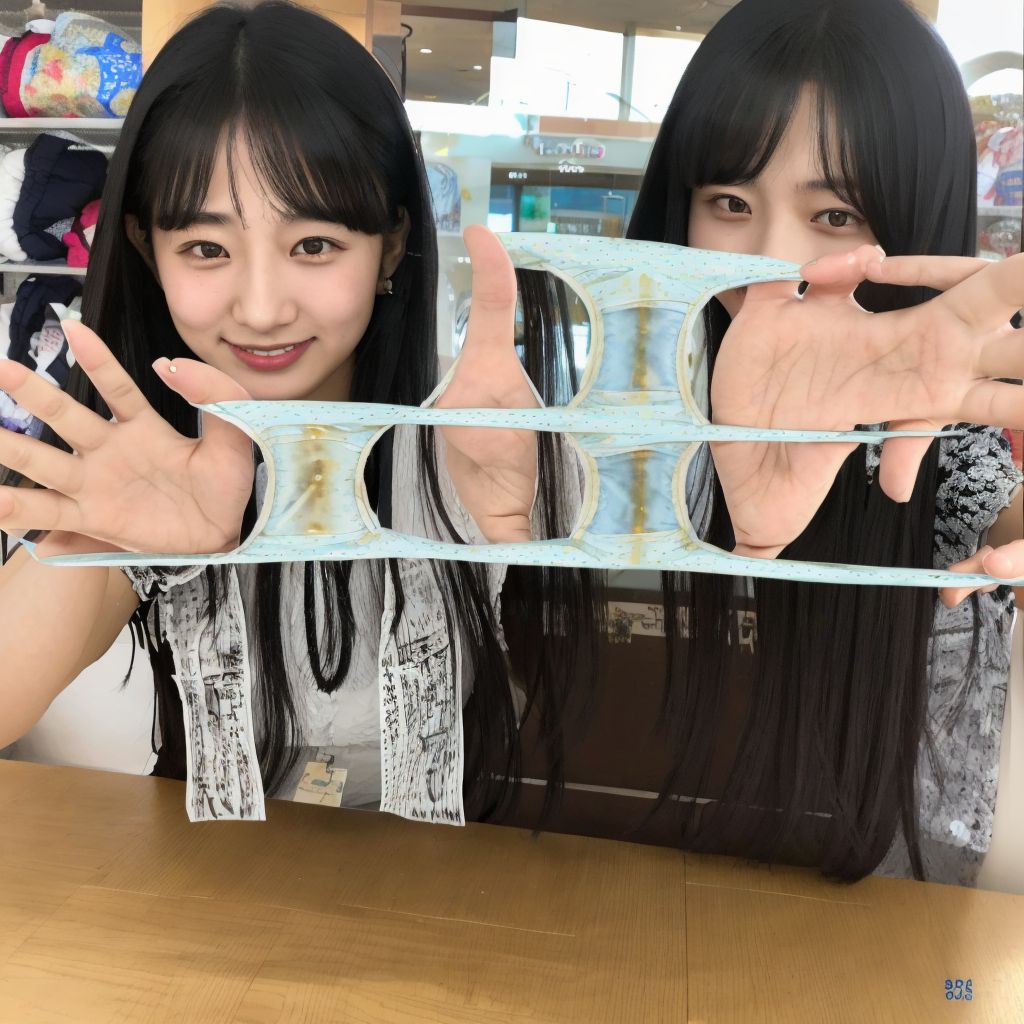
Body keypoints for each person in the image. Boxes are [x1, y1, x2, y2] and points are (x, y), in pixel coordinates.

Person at [0, 0, 595, 822]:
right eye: (206, 248)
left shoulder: (471, 446)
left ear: (390, 244)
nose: (262, 309)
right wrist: (102, 541)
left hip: (450, 870)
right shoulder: (144, 468)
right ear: (146, 249)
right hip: (216, 879)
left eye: (314, 245)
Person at [595, 0, 1023, 884]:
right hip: (617, 902)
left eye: (834, 216)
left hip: (873, 924)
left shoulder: (935, 448)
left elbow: (999, 513)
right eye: (729, 202)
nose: (770, 262)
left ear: (916, 223)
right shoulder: (616, 428)